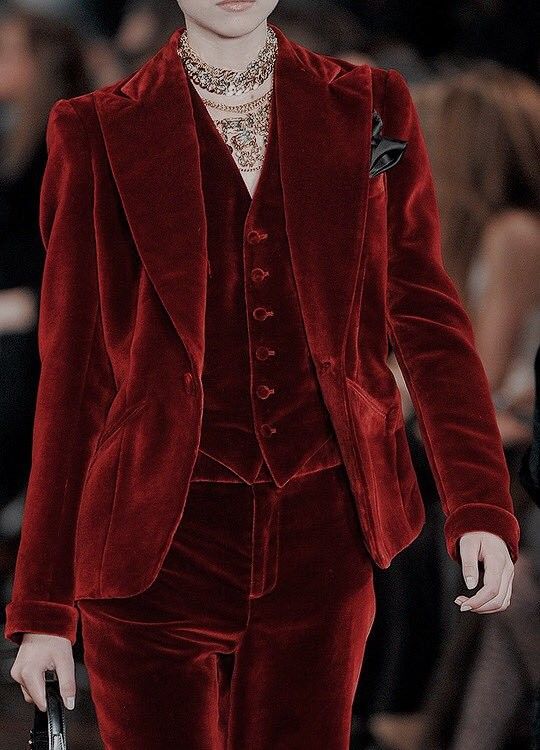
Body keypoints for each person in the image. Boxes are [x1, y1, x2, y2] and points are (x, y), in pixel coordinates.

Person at [4, 2, 521, 747]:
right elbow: (73, 377)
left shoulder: (370, 102)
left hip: (323, 533)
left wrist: (479, 503)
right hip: (154, 543)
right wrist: (44, 610)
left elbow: (426, 319)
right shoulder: (94, 128)